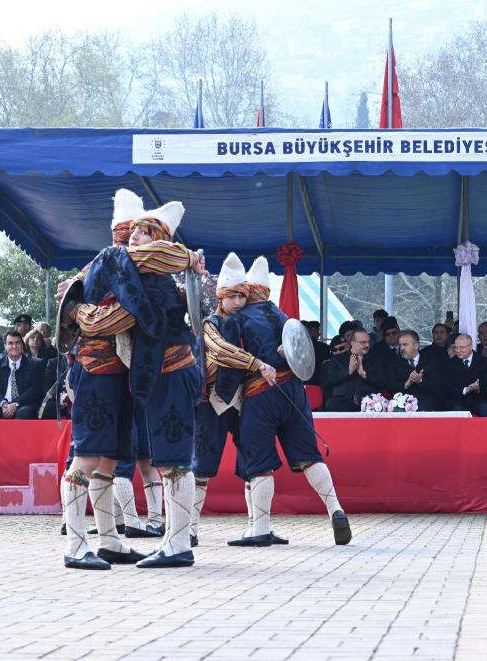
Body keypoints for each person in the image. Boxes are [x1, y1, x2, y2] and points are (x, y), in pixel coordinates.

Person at [60, 190, 205, 569]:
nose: (131, 239)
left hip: (145, 375)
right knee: (91, 458)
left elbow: (112, 315)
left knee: (127, 459)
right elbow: (105, 318)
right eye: (129, 233)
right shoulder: (113, 268)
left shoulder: (144, 278)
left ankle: (147, 542)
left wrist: (75, 310)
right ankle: (80, 545)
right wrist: (76, 310)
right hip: (100, 373)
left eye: (141, 232)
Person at [218, 256, 351, 546]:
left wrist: (221, 395)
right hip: (294, 392)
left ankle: (260, 528)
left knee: (259, 464)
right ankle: (336, 509)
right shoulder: (283, 316)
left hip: (260, 395)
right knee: (309, 457)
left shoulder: (237, 320)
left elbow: (231, 364)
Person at [192, 253, 284, 547]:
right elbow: (220, 351)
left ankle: (258, 527)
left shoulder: (248, 322)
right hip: (211, 401)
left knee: (253, 464)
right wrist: (257, 363)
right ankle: (188, 529)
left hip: (244, 400)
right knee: (201, 466)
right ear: (221, 296)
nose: (238, 301)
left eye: (242, 296)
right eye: (232, 296)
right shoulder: (210, 323)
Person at [0, 331, 44, 420]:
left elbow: (35, 389)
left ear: (22, 344)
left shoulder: (34, 364)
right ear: (5, 346)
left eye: (17, 343)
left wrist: (16, 403)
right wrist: (3, 403)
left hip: (23, 404)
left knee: (26, 412)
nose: (14, 346)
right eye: (10, 343)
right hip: (1, 404)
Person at [324, 330, 385, 412]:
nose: (367, 345)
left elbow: (382, 382)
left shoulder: (375, 358)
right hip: (342, 401)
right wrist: (348, 371)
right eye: (363, 342)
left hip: (369, 402)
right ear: (352, 343)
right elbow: (330, 380)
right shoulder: (338, 359)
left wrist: (364, 374)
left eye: (368, 342)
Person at [385, 329, 442, 411]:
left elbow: (439, 386)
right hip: (402, 408)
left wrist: (421, 381)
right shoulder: (394, 363)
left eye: (405, 345)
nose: (402, 348)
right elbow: (389, 385)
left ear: (416, 345)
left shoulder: (431, 361)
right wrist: (406, 384)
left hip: (427, 408)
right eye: (400, 345)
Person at [444, 333, 487, 417]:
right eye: (456, 347)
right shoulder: (450, 363)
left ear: (471, 346)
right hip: (459, 400)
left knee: (486, 408)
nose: (458, 350)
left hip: (479, 400)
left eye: (461, 347)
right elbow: (447, 387)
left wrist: (478, 388)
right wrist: (466, 390)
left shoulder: (484, 361)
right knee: (456, 408)